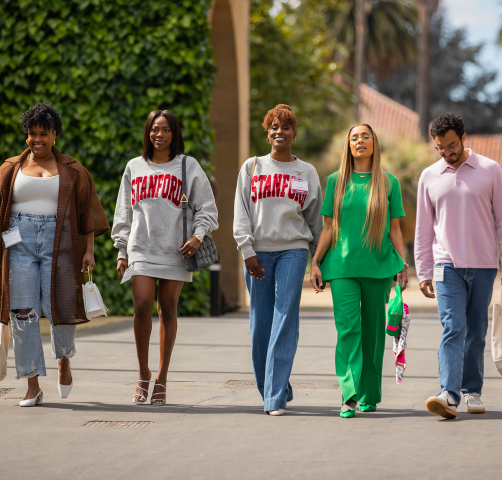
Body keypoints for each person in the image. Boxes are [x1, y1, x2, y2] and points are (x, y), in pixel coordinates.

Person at [0, 103, 109, 407]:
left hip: (59, 243)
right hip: (18, 243)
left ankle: (63, 359)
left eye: (44, 133)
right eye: (32, 133)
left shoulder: (73, 170)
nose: (37, 139)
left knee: (61, 307)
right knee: (23, 313)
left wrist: (88, 250)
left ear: (54, 135)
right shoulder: (10, 169)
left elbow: (87, 214)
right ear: (26, 136)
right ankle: (32, 385)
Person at [415, 113, 502, 419]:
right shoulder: (429, 176)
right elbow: (423, 229)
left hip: (485, 265)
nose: (447, 152)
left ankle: (472, 390)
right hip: (446, 265)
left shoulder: (490, 170)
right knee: (453, 328)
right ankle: (448, 393)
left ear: (463, 137)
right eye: (440, 148)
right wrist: (423, 272)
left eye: (451, 145)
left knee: (476, 331)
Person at [112, 109, 218, 405]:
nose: (159, 135)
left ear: (175, 134)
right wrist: (122, 250)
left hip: (176, 251)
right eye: (154, 129)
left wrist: (198, 236)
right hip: (141, 248)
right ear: (148, 132)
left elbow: (207, 208)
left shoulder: (188, 166)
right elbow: (124, 211)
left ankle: (162, 378)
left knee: (167, 309)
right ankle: (143, 373)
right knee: (142, 305)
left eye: (166, 130)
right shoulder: (134, 166)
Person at [310, 124, 409, 419]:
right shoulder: (335, 182)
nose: (360, 141)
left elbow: (395, 229)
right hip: (341, 267)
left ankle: (368, 395)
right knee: (348, 330)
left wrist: (403, 265)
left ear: (374, 143)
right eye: (354, 137)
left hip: (379, 267)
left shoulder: (389, 183)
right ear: (348, 146)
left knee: (374, 334)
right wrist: (316, 261)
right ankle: (349, 395)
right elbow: (328, 227)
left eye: (366, 136)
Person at [233, 104, 323, 416]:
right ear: (267, 131)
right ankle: (277, 387)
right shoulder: (252, 167)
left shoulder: (306, 172)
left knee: (285, 320)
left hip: (293, 251)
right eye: (273, 126)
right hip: (258, 253)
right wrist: (247, 251)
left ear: (294, 133)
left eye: (285, 127)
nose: (279, 132)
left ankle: (272, 398)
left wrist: (317, 261)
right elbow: (240, 212)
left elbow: (315, 221)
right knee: (261, 325)